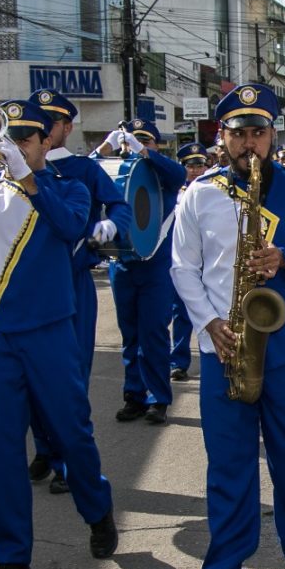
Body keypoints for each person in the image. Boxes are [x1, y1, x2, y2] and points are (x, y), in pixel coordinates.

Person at [0, 98, 118, 569]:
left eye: (23, 140)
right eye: (6, 139)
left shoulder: (69, 187)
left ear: (45, 143)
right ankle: (12, 556)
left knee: (71, 433)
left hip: (50, 328)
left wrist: (27, 178)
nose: (12, 148)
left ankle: (97, 510)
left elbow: (69, 227)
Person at [171, 82, 285, 569]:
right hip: (226, 347)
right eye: (238, 133)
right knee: (228, 467)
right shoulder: (201, 193)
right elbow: (183, 267)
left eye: (258, 132)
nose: (249, 143)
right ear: (222, 137)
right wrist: (209, 323)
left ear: (272, 135)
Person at [27, 88, 132, 494]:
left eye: (53, 121)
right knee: (31, 376)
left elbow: (118, 204)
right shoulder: (15, 169)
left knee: (71, 376)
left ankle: (68, 458)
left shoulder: (84, 170)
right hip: (32, 284)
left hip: (71, 281)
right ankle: (45, 448)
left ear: (68, 127)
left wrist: (111, 225)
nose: (46, 129)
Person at [95, 118, 186, 425]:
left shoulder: (164, 176)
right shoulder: (119, 176)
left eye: (146, 141)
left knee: (154, 333)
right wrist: (105, 147)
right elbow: (88, 174)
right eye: (132, 141)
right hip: (123, 266)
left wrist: (146, 153)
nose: (135, 147)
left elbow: (179, 173)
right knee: (130, 335)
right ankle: (133, 394)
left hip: (156, 268)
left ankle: (158, 398)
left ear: (155, 145)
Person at [168, 141, 209, 382]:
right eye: (190, 166)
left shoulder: (213, 190)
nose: (195, 171)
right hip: (184, 259)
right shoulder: (175, 192)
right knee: (181, 313)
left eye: (200, 165)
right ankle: (179, 361)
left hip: (209, 261)